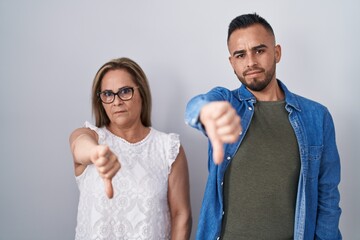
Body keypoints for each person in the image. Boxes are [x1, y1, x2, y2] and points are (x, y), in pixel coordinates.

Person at [185, 13, 341, 239]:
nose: (250, 62)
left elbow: (327, 199)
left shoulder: (316, 117)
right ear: (232, 62)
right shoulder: (225, 102)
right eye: (240, 55)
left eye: (259, 50)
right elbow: (197, 106)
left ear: (276, 53)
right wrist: (203, 113)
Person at [69, 57, 192, 239]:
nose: (116, 101)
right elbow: (79, 144)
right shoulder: (92, 137)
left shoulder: (168, 148)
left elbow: (180, 215)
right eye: (108, 94)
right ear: (101, 101)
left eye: (125, 91)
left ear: (141, 93)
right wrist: (95, 153)